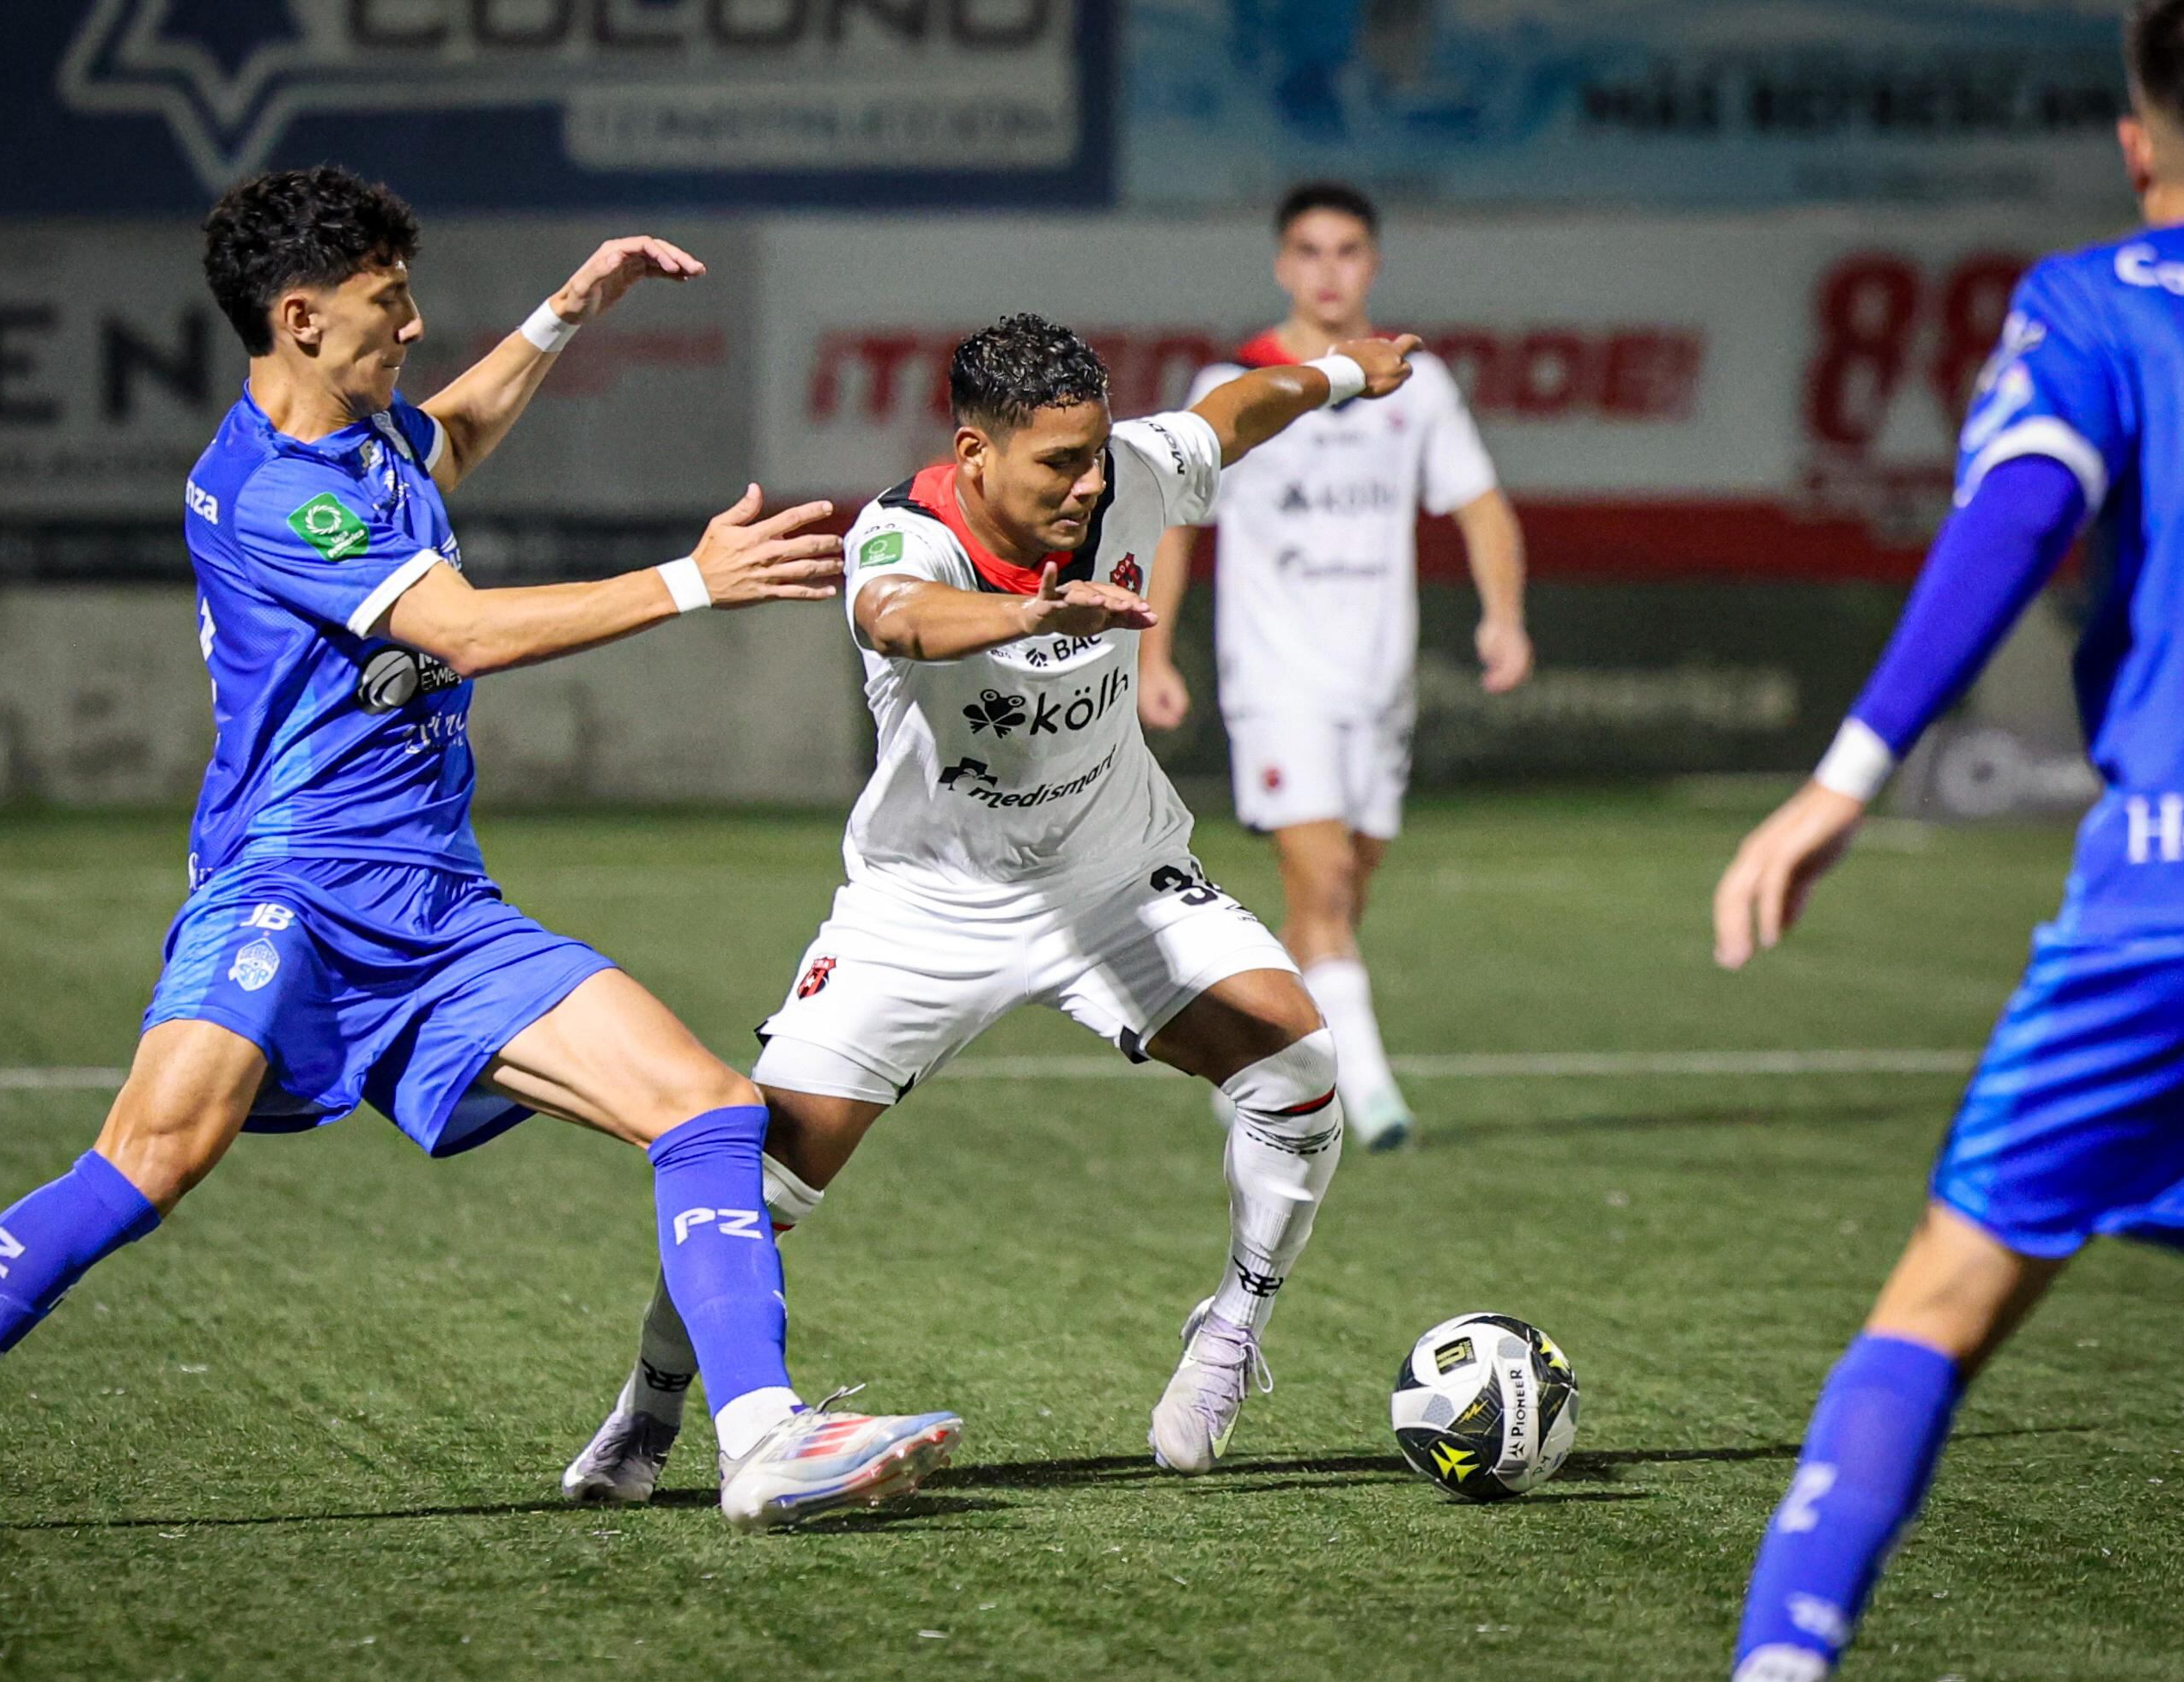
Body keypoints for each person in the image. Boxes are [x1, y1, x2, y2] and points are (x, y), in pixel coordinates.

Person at [0, 165, 959, 1545]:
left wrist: (572, 307)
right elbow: (459, 631)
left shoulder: (368, 443)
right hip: (292, 887)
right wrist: (691, 578)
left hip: (439, 905)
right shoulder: (279, 487)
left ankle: (761, 1438)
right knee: (144, 1163)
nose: (412, 326)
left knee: (705, 1106)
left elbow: (451, 431)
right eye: (386, 304)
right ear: (299, 318)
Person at [562, 313, 1423, 1505]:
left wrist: (1340, 373)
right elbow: (898, 617)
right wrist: (1036, 613)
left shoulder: (1128, 470)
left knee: (1298, 1061)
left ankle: (1230, 1327)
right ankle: (654, 1397)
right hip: (925, 908)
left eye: (1094, 457)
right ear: (975, 453)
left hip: (1113, 877)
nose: (1086, 485)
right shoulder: (901, 534)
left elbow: (1232, 417)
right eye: (1055, 464)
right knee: (757, 1183)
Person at [1715, 5, 2184, 1673]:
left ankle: (1785, 1658)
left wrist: (1846, 775)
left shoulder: (2095, 303)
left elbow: (2019, 508)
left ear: (2136, 140)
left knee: (1946, 1291)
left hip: (2175, 889)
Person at [1139, 181, 1530, 1149]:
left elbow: (1480, 504)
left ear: (1372, 265)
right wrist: (1156, 648)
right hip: (1276, 681)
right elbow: (1176, 522)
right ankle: (1372, 1096)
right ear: (1283, 266)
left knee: (1345, 890)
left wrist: (1504, 616)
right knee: (1318, 890)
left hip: (1379, 683)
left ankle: (1264, 1063)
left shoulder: (1418, 385)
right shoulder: (1234, 384)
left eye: (1347, 251)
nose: (1328, 270)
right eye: (1309, 252)